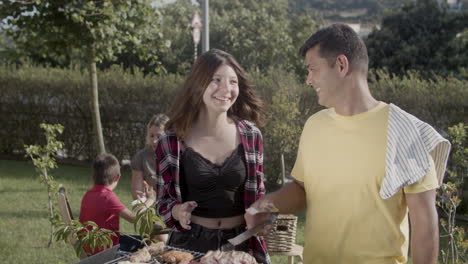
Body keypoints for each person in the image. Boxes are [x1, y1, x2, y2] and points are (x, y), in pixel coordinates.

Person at [245, 24, 451, 264]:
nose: (308, 80)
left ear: (341, 65)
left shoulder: (405, 132)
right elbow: (302, 189)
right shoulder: (314, 126)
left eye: (313, 69)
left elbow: (425, 224)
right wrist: (267, 205)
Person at [155, 49, 270, 264]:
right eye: (216, 80)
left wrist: (263, 214)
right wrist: (177, 211)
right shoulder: (170, 141)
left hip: (240, 247)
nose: (226, 89)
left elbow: (259, 196)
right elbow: (162, 203)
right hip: (189, 247)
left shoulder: (251, 136)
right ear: (199, 83)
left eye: (233, 81)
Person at [79, 153, 156, 255]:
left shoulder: (88, 194)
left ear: (94, 176)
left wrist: (141, 202)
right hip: (105, 251)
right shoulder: (107, 197)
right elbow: (133, 218)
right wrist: (150, 200)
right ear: (117, 177)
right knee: (147, 243)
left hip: (90, 246)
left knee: (140, 241)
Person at [131, 113, 169, 200]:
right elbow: (137, 192)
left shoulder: (179, 157)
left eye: (159, 136)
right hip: (150, 206)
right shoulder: (140, 158)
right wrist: (145, 199)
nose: (154, 141)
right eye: (151, 136)